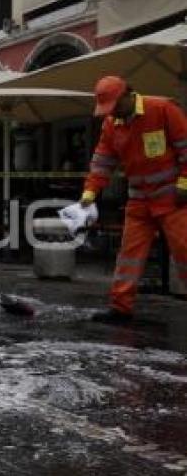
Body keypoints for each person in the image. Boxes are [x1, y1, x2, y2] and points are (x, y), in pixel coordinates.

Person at [81, 75, 187, 324]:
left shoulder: (162, 109)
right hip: (139, 201)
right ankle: (120, 308)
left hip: (173, 199)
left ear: (128, 95)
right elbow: (102, 161)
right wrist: (89, 194)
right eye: (109, 109)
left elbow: (186, 149)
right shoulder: (111, 124)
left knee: (185, 251)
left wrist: (184, 184)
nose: (113, 113)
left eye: (115, 106)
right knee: (129, 255)